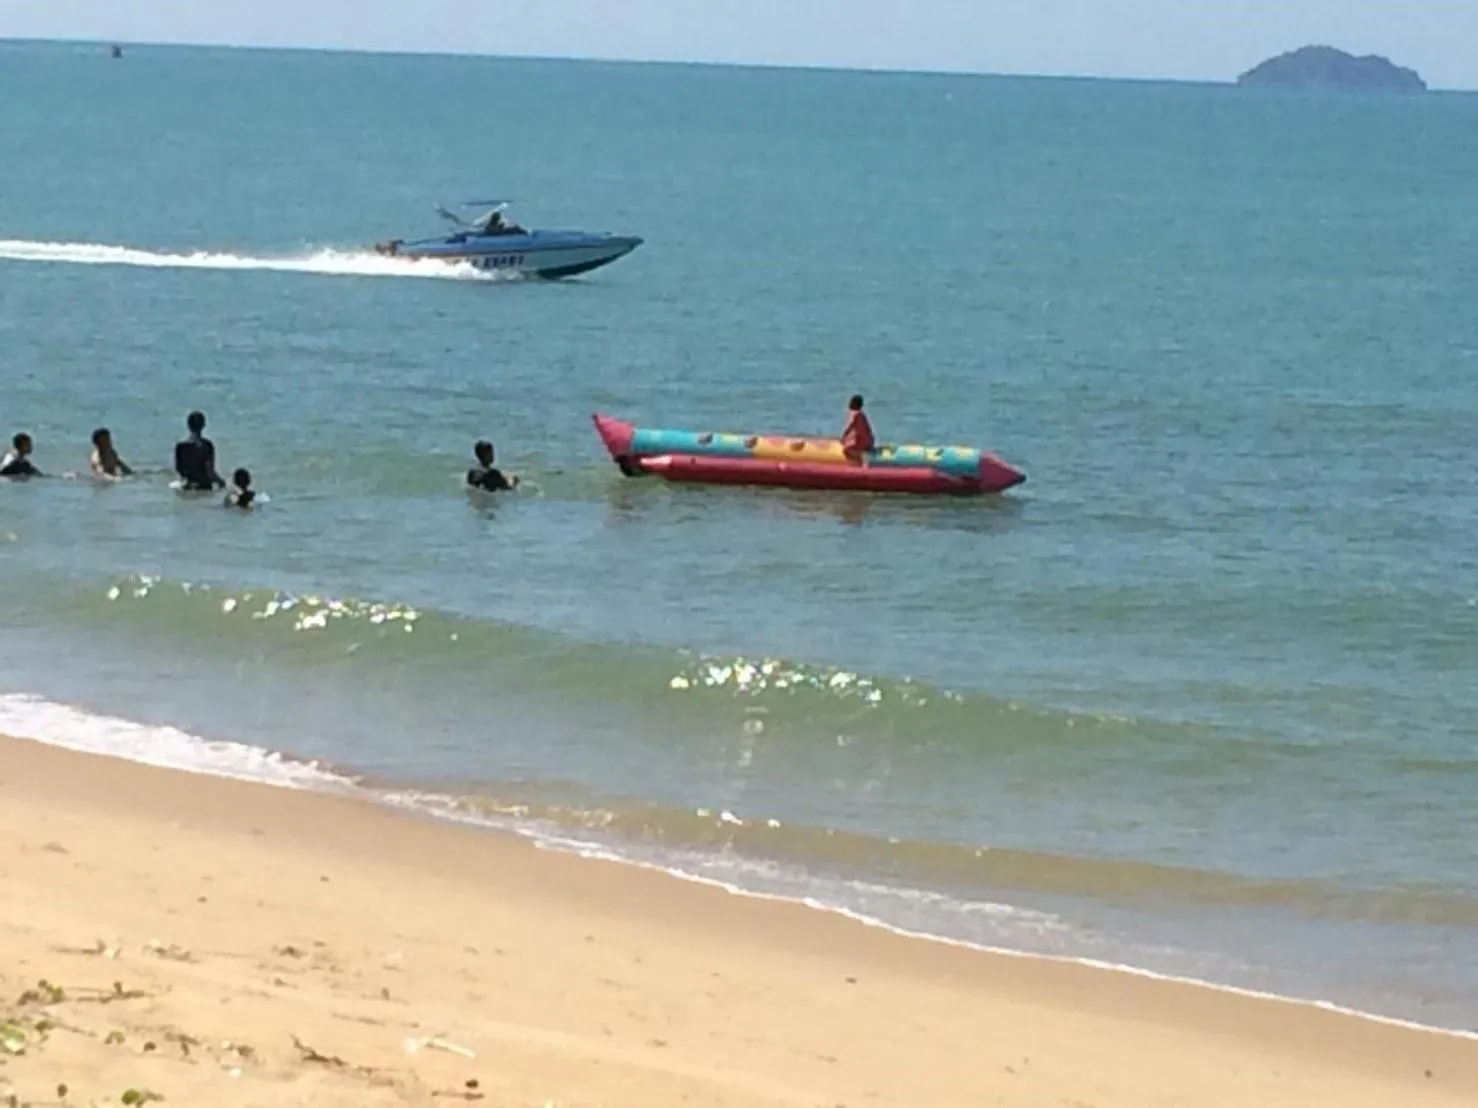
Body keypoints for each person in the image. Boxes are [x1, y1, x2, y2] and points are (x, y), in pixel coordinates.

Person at [174, 411, 224, 491]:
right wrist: (221, 483)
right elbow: (210, 472)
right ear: (203, 425)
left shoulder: (180, 447)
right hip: (204, 486)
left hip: (187, 486)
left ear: (188, 425)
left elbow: (179, 469)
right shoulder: (207, 445)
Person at [841, 394, 875, 461]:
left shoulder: (856, 414)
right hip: (869, 441)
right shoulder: (861, 414)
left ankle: (861, 456)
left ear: (853, 404)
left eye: (851, 402)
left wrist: (843, 437)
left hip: (864, 442)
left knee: (846, 450)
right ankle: (863, 454)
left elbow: (850, 428)